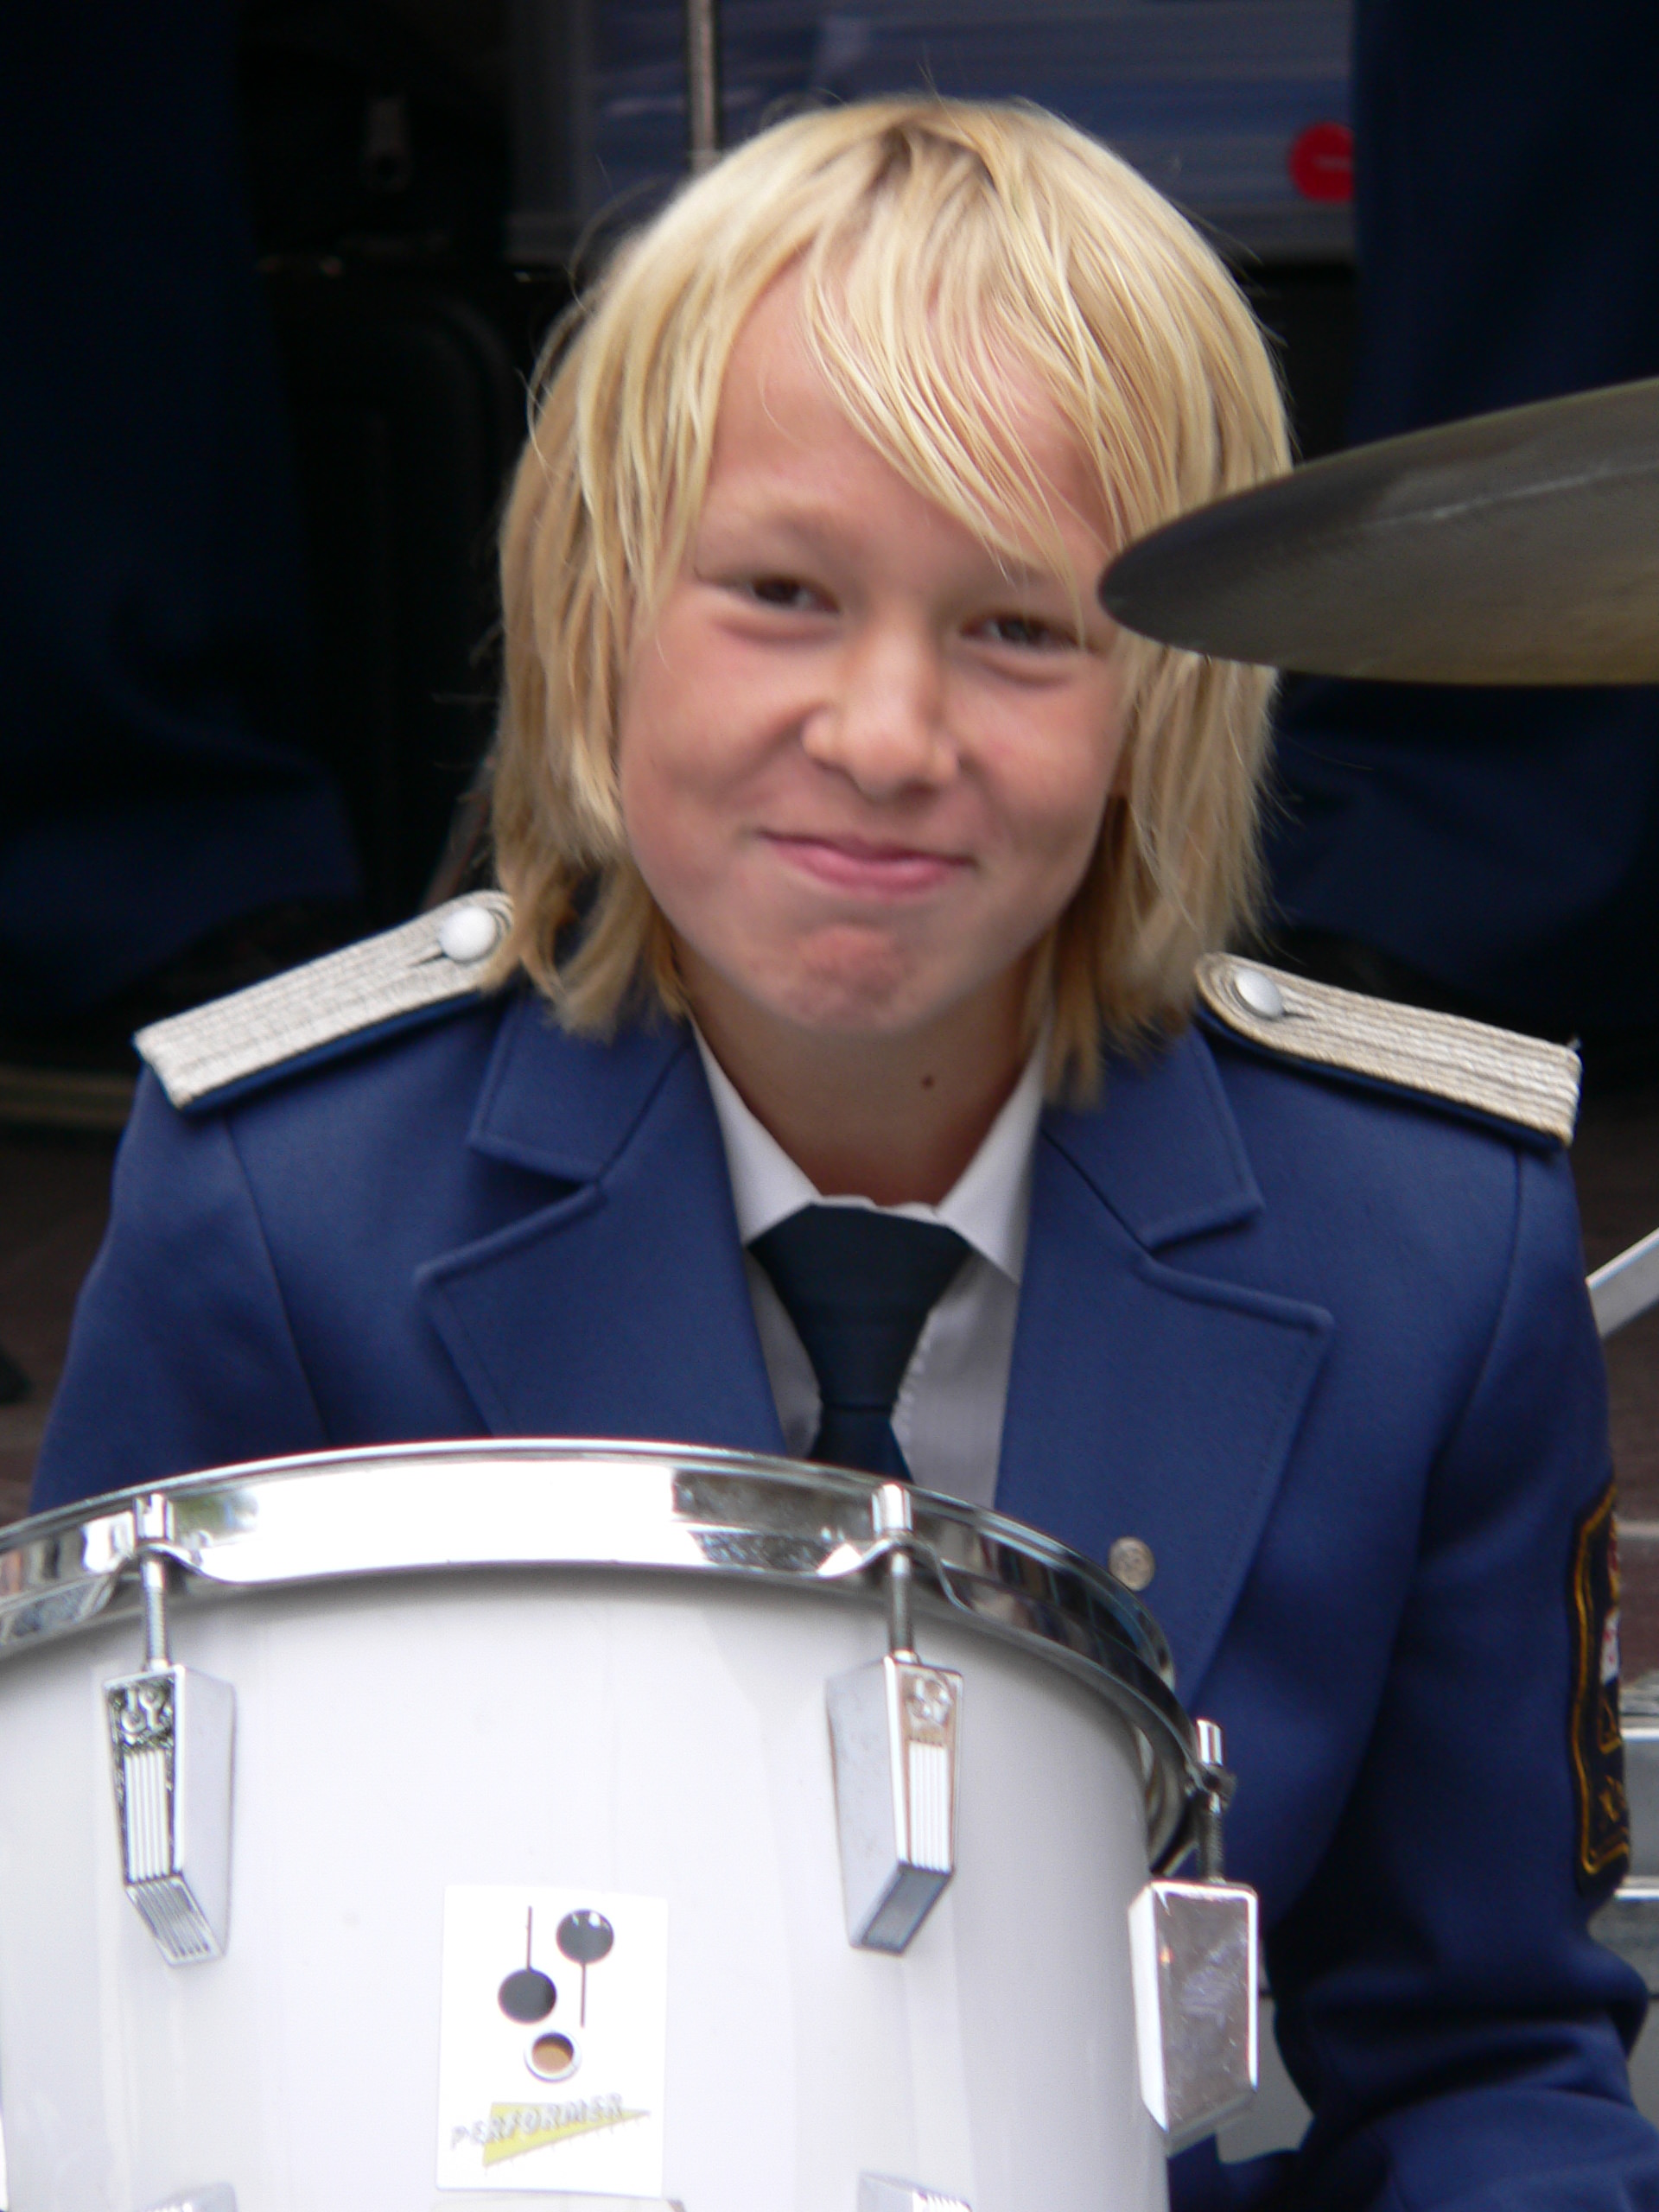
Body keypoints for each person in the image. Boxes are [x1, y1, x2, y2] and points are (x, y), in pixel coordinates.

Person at [34, 99, 1657, 2211]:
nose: (887, 735)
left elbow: (1482, 2057)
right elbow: (93, 2008)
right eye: (783, 593)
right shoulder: (284, 1200)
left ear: (1168, 695)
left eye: (1019, 629)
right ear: (596, 605)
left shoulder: (1426, 1232)